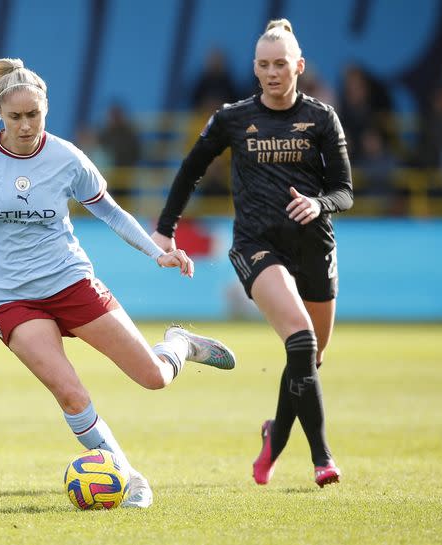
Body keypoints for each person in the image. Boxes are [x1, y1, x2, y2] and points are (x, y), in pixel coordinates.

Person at [0, 57, 236, 508]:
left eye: (34, 115)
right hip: (10, 299)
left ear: (46, 109)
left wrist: (157, 250)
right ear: (0, 115)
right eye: (15, 117)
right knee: (69, 392)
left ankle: (179, 344)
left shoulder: (68, 159)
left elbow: (109, 211)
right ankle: (129, 478)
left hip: (71, 283)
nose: (26, 125)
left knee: (153, 377)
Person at [151, 19, 353, 488]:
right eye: (263, 64)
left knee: (310, 358)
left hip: (315, 247)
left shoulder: (322, 118)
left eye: (280, 63)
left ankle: (274, 435)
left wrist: (318, 203)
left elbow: (344, 192)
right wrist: (165, 229)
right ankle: (322, 457)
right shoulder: (233, 118)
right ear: (255, 68)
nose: (271, 72)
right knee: (300, 340)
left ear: (298, 66)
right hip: (256, 247)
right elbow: (191, 169)